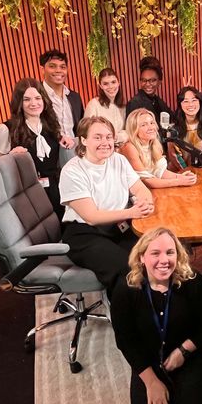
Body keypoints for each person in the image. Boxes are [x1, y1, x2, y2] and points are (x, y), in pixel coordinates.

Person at [111, 227, 202, 404]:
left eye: (170, 253)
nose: (164, 260)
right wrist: (151, 382)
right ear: (141, 257)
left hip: (189, 355)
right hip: (149, 358)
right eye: (155, 253)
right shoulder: (125, 289)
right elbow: (125, 340)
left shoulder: (193, 281)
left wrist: (184, 351)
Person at [59, 116, 154, 294]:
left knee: (153, 256)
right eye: (98, 137)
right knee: (127, 269)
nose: (105, 142)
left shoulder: (118, 160)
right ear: (83, 140)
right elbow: (92, 217)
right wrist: (132, 212)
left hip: (119, 228)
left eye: (109, 137)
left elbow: (142, 189)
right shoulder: (72, 171)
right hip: (84, 234)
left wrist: (144, 203)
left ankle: (156, 307)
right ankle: (124, 315)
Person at [0, 78, 74, 221]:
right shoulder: (5, 129)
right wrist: (10, 157)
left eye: (38, 98)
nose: (34, 103)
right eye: (27, 99)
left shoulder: (51, 125)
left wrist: (64, 138)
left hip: (56, 188)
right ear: (19, 102)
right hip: (26, 192)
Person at [120, 108, 197, 188]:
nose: (150, 127)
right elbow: (146, 181)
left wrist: (181, 177)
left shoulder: (154, 143)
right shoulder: (129, 147)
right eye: (143, 125)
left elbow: (160, 172)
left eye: (152, 123)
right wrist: (179, 181)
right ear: (134, 129)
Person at [40, 49, 83, 166]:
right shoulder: (36, 96)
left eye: (63, 67)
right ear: (42, 69)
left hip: (75, 154)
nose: (58, 70)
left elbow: (80, 127)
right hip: (48, 158)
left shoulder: (74, 97)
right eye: (52, 66)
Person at [168, 86, 202, 170]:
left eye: (194, 100)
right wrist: (186, 171)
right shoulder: (173, 127)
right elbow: (174, 156)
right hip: (179, 172)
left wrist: (200, 168)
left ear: (199, 102)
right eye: (186, 101)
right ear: (180, 104)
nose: (190, 104)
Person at [125, 56, 174, 122]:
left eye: (152, 80)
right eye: (144, 80)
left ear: (159, 82)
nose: (148, 84)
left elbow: (173, 119)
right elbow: (132, 129)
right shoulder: (135, 103)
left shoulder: (157, 101)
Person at [84, 68, 126, 143]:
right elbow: (86, 132)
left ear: (118, 83)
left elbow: (129, 131)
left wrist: (118, 138)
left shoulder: (123, 106)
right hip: (101, 148)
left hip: (120, 148)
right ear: (100, 86)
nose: (110, 86)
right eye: (105, 84)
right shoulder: (93, 104)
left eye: (113, 82)